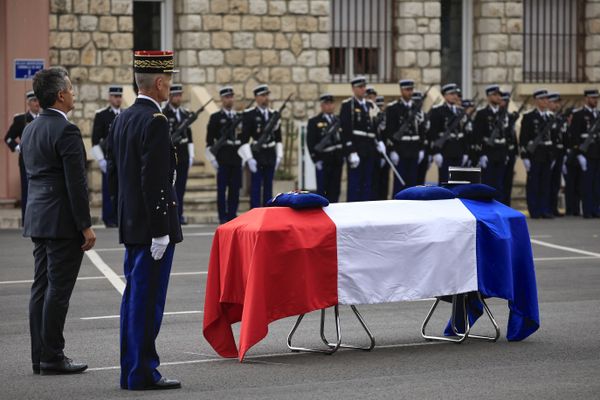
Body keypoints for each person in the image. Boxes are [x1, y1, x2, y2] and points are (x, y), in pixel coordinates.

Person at [106, 50, 183, 390]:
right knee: (147, 303)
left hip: (132, 224)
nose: (170, 87)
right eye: (169, 81)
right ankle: (143, 372)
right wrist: (161, 231)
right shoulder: (155, 120)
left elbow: (118, 176)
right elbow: (154, 181)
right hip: (151, 229)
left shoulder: (122, 117)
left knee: (134, 301)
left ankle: (131, 370)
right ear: (160, 82)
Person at [20, 67, 96, 375]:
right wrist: (86, 225)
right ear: (61, 95)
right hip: (62, 221)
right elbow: (75, 184)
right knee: (57, 291)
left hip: (38, 215)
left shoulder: (30, 128)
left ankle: (40, 355)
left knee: (41, 287)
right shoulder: (66, 130)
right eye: (71, 89)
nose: (74, 94)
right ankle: (53, 355)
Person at [340, 76, 386, 201]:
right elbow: (345, 131)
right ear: (353, 89)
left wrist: (380, 140)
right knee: (355, 184)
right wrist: (351, 151)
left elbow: (375, 126)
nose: (363, 89)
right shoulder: (348, 105)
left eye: (364, 87)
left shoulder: (370, 105)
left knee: (368, 183)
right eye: (360, 87)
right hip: (357, 149)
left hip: (370, 149)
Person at [238, 84, 283, 208]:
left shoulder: (274, 114)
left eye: (267, 95)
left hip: (270, 154)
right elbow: (244, 139)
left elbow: (278, 138)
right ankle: (255, 213)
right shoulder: (249, 114)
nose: (265, 98)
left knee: (269, 187)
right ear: (256, 98)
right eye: (262, 95)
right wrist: (249, 158)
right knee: (256, 187)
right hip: (257, 154)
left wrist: (279, 155)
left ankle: (268, 213)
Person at [205, 86, 243, 223]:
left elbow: (243, 139)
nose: (229, 99)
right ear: (221, 99)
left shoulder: (239, 117)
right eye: (227, 97)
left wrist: (245, 156)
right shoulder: (215, 118)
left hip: (236, 158)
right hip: (223, 158)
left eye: (231, 97)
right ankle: (223, 216)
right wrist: (213, 159)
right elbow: (209, 141)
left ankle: (232, 214)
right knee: (222, 190)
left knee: (235, 189)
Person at [4, 91, 40, 223]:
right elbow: (8, 138)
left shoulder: (44, 118)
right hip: (27, 161)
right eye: (34, 101)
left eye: (38, 101)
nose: (37, 103)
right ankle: (27, 219)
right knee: (27, 190)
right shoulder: (21, 120)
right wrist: (18, 148)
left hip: (43, 160)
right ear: (28, 103)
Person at [385, 79, 426, 194]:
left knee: (412, 183)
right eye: (407, 90)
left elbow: (421, 131)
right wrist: (392, 150)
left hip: (414, 149)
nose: (410, 92)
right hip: (400, 150)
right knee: (399, 183)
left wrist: (421, 148)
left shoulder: (416, 108)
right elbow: (389, 131)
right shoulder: (393, 108)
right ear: (401, 90)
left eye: (411, 89)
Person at [91, 85, 123, 227]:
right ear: (110, 98)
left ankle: (120, 217)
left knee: (122, 190)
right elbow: (95, 140)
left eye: (119, 96)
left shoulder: (125, 114)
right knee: (109, 190)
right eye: (115, 97)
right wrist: (101, 160)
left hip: (122, 159)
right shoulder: (102, 115)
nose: (118, 99)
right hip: (109, 159)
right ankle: (109, 218)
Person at [163, 84, 194, 225]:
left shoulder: (185, 114)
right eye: (176, 95)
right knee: (171, 188)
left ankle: (179, 214)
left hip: (183, 155)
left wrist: (191, 154)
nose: (178, 97)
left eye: (180, 95)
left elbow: (190, 136)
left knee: (181, 187)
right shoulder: (164, 113)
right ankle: (171, 214)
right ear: (170, 96)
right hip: (170, 155)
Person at [520, 89, 553, 219]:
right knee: (534, 184)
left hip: (547, 153)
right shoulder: (529, 117)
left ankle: (544, 209)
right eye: (543, 99)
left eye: (546, 99)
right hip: (534, 154)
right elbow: (523, 138)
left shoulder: (550, 117)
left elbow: (554, 138)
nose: (546, 101)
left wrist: (553, 155)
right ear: (536, 101)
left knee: (546, 183)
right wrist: (525, 157)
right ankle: (534, 210)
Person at [568, 89, 600, 218]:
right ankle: (587, 210)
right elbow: (574, 136)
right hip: (586, 154)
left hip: (598, 153)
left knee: (597, 185)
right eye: (593, 98)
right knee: (587, 184)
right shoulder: (579, 115)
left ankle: (596, 209)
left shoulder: (598, 115)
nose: (595, 100)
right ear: (586, 99)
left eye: (596, 98)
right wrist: (578, 154)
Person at [428, 83, 468, 184]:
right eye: (451, 94)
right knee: (445, 183)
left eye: (455, 94)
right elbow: (433, 133)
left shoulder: (460, 111)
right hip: (445, 152)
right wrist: (436, 152)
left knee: (458, 183)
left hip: (458, 151)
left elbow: (464, 133)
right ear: (445, 96)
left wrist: (465, 152)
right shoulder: (437, 111)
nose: (455, 96)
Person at [306, 93, 344, 202]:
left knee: (335, 190)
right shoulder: (314, 122)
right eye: (326, 104)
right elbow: (310, 142)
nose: (329, 106)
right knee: (323, 191)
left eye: (331, 103)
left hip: (337, 160)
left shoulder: (338, 121)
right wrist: (316, 159)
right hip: (323, 160)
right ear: (322, 106)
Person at [473, 85, 509, 194]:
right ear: (488, 97)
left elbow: (507, 135)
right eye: (495, 95)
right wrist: (481, 154)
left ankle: (498, 208)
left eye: (499, 95)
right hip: (488, 152)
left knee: (500, 184)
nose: (498, 97)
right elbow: (477, 136)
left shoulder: (504, 113)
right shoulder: (482, 114)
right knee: (488, 183)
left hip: (501, 151)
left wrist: (506, 152)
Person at [547, 92, 568, 217]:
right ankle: (547, 207)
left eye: (558, 102)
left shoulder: (560, 118)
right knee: (548, 182)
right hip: (550, 154)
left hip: (560, 153)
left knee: (555, 182)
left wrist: (565, 153)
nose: (557, 105)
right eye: (555, 102)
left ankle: (553, 207)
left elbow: (564, 137)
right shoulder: (548, 118)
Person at [500, 91, 519, 206]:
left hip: (511, 152)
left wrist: (516, 151)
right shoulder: (498, 117)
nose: (505, 103)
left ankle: (507, 203)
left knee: (508, 181)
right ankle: (501, 203)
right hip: (502, 152)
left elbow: (513, 134)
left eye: (507, 101)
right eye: (503, 100)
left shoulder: (509, 116)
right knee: (500, 181)